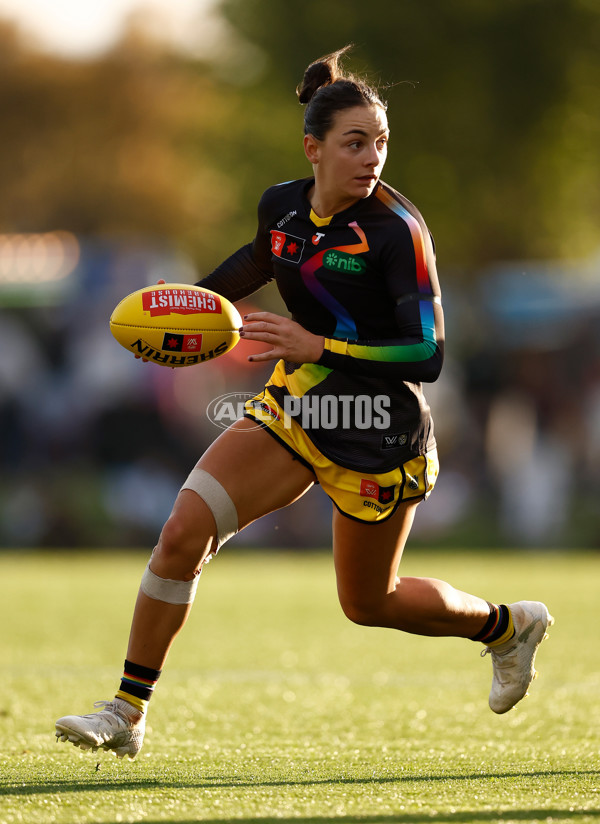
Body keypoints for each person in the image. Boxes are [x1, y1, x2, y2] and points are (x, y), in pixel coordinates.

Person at [55, 46, 553, 760]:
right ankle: (128, 711)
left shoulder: (398, 233)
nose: (372, 157)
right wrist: (184, 311)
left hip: (378, 432)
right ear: (313, 148)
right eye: (356, 143)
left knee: (369, 603)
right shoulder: (283, 206)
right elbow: (257, 262)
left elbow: (427, 355)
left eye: (381, 142)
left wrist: (318, 346)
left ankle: (508, 627)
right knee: (180, 535)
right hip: (295, 409)